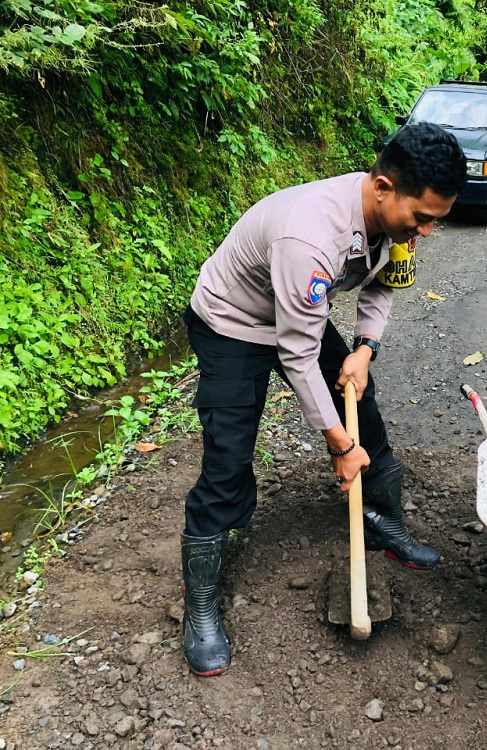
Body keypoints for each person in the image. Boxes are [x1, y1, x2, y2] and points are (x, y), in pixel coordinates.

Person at [180, 122, 466, 676]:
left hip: (295, 321)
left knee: (365, 402)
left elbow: (385, 283)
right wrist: (337, 441)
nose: (428, 232)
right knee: (229, 455)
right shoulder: (310, 237)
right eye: (422, 218)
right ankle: (201, 604)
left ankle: (382, 522)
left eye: (437, 219)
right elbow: (296, 355)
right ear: (382, 187)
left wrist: (364, 348)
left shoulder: (399, 219)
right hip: (233, 324)